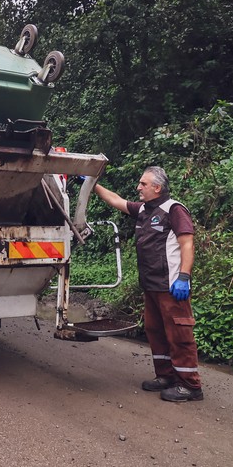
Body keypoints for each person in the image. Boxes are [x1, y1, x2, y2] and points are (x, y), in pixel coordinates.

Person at [92, 166, 203, 402]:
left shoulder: (173, 210)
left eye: (143, 184)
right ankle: (166, 377)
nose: (138, 188)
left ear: (157, 187)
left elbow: (187, 245)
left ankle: (190, 386)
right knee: (156, 332)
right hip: (151, 285)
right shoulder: (144, 209)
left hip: (171, 286)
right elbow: (115, 200)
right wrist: (91, 183)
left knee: (179, 333)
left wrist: (184, 276)